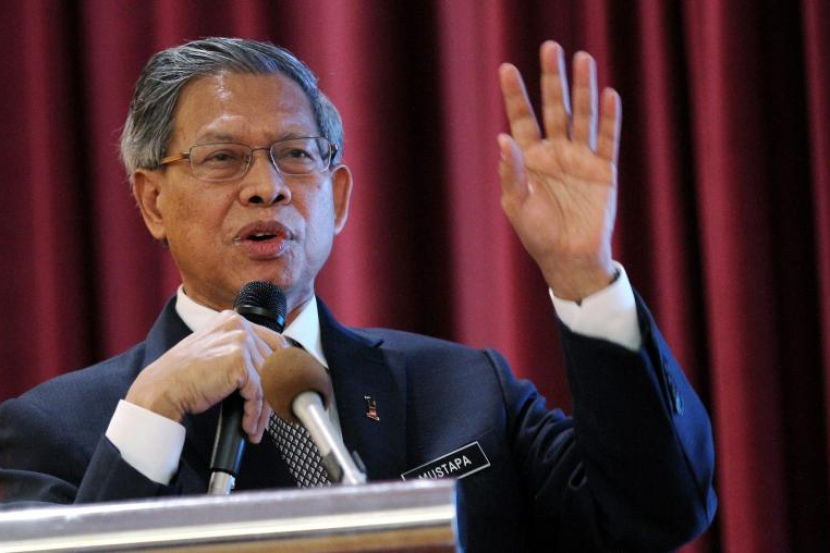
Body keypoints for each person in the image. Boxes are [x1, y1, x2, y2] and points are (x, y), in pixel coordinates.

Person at [0, 37, 716, 551]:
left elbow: (656, 513)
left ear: (337, 198)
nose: (267, 187)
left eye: (295, 154)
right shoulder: (56, 431)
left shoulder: (465, 391)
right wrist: (151, 419)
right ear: (153, 201)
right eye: (222, 158)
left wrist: (584, 276)